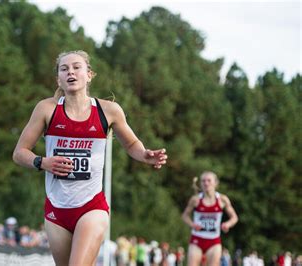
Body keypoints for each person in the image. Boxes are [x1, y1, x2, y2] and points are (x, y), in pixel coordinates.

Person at [12, 50, 167, 266]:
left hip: (91, 207)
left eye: (77, 67)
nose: (71, 72)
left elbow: (131, 144)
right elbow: (19, 153)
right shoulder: (46, 109)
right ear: (59, 79)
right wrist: (42, 162)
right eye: (64, 69)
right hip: (57, 210)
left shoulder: (109, 110)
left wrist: (144, 154)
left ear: (89, 74)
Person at [181, 171, 238, 266]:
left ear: (215, 183)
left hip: (214, 240)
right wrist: (192, 224)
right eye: (203, 181)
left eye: (209, 180)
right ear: (200, 184)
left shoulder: (222, 199)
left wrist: (227, 224)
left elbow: (234, 218)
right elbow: (184, 216)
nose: (206, 183)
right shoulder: (195, 199)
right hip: (197, 239)